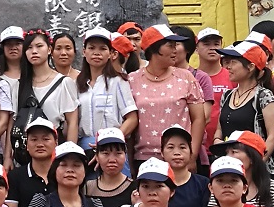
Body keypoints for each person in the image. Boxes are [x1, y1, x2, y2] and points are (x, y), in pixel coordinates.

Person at [129, 24, 205, 163]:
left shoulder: (186, 77)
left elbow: (198, 119)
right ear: (154, 48)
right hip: (144, 159)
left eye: (175, 45)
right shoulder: (132, 80)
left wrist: (192, 155)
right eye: (170, 46)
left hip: (179, 159)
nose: (175, 50)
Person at [24, 141, 107, 207]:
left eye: (76, 165)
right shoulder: (40, 203)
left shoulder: (96, 206)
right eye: (63, 165)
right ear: (54, 170)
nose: (70, 170)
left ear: (84, 172)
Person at [75, 27, 137, 150]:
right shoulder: (77, 83)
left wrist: (112, 139)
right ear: (84, 52)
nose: (96, 53)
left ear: (111, 54)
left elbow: (132, 118)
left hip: (112, 148)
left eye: (103, 49)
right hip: (84, 147)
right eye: (91, 48)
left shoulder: (118, 81)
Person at [215, 41, 274, 152]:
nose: (228, 67)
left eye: (234, 62)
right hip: (228, 160)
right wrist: (217, 140)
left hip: (253, 160)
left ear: (250, 67)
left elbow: (273, 136)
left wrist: (259, 160)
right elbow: (219, 130)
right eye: (228, 62)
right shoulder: (227, 95)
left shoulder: (264, 96)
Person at [160, 125, 211, 207]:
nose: (177, 152)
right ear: (162, 153)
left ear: (191, 152)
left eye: (182, 147)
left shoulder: (204, 184)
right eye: (170, 147)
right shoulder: (154, 183)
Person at [195, 29, 233, 159]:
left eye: (216, 44)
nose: (212, 48)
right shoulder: (190, 77)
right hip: (197, 147)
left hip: (225, 147)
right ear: (196, 48)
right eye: (206, 44)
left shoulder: (232, 76)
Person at [84, 126, 133, 207]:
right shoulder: (87, 188)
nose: (112, 160)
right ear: (97, 157)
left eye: (118, 153)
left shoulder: (135, 189)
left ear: (125, 156)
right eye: (105, 153)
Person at [10, 117, 59, 207]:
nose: (40, 144)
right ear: (27, 145)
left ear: (56, 143)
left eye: (46, 139)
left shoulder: (63, 175)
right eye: (34, 139)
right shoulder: (15, 177)